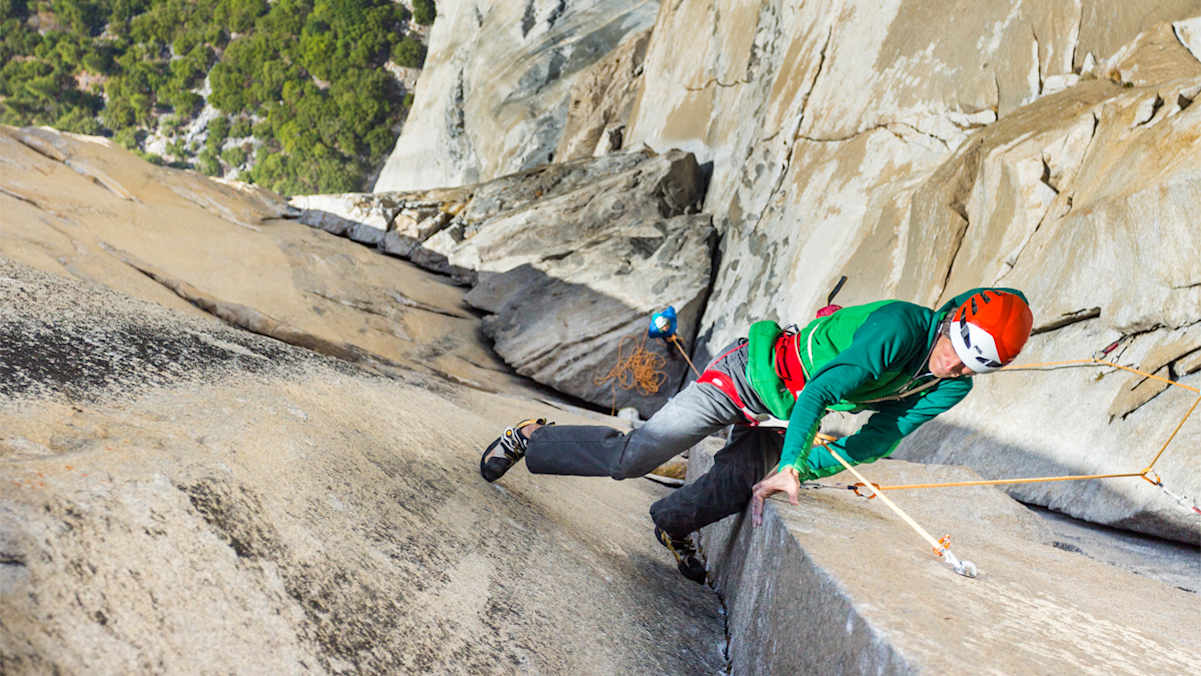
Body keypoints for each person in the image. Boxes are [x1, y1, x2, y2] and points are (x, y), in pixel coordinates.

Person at [479, 287, 1034, 583]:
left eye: (969, 369)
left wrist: (802, 469)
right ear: (952, 319)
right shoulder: (901, 328)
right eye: (954, 354)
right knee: (637, 454)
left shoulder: (950, 387)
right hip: (749, 375)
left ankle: (671, 526)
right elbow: (820, 394)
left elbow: (878, 439)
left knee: (734, 488)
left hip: (782, 415)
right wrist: (793, 459)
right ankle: (534, 437)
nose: (952, 369)